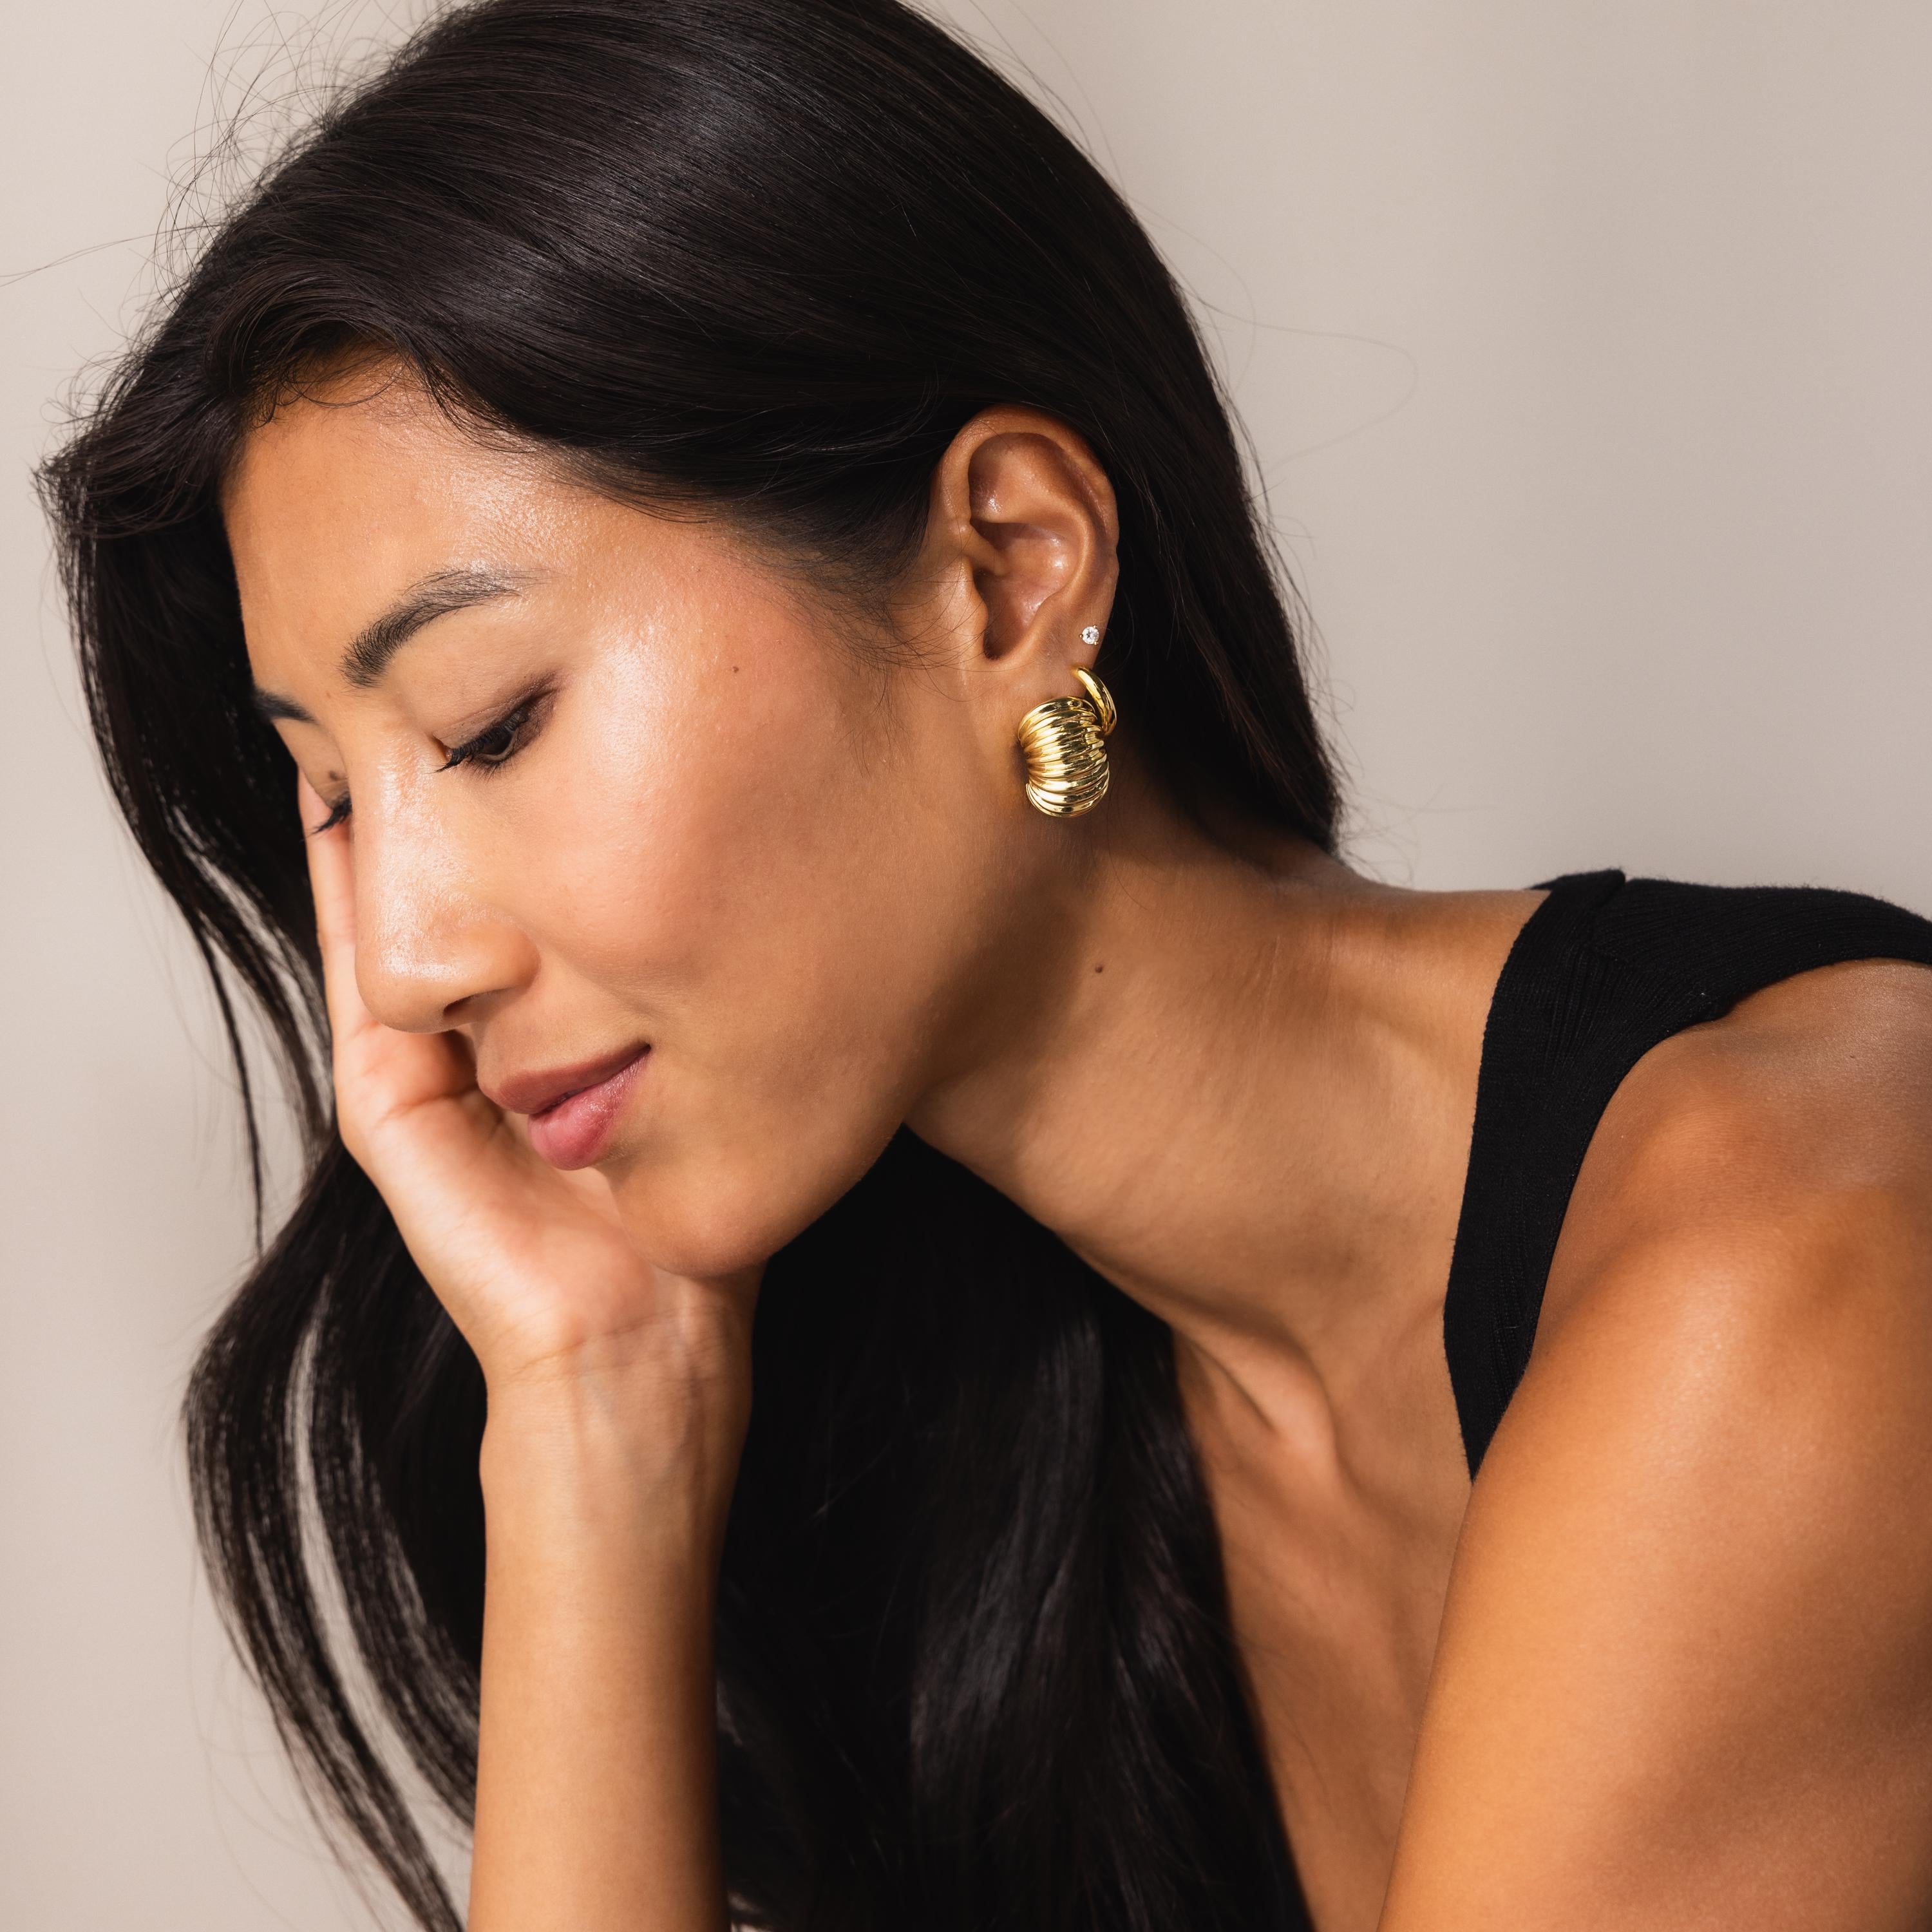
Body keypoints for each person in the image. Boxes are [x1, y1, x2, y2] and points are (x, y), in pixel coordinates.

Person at [37, 1, 1932, 1927]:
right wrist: (600, 1410)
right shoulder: (991, 1491)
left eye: (492, 719)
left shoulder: (1783, 1272)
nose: (412, 953)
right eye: (329, 797)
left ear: (1008, 574)